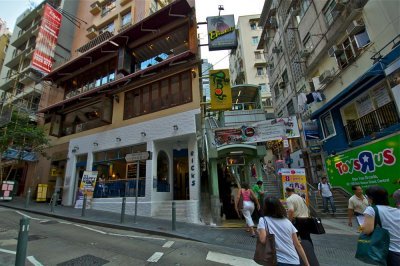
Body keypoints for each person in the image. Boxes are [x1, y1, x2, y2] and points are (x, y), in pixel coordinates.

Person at [257, 196, 310, 266]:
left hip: (277, 260)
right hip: (294, 261)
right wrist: (307, 264)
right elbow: (297, 244)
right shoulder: (287, 222)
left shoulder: (263, 220)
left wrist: (259, 232)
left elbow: (263, 240)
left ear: (265, 208)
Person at [361, 186, 400, 266]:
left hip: (389, 251)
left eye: (367, 196)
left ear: (371, 198)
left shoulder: (371, 209)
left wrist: (362, 226)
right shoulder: (396, 211)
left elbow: (367, 230)